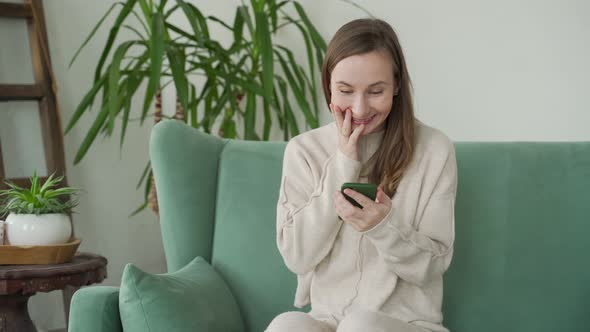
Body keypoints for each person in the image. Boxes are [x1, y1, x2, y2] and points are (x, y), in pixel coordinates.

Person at [268, 18, 458, 332]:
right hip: (327, 320)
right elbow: (297, 257)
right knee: (287, 326)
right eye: (345, 91)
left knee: (360, 327)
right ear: (328, 85)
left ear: (397, 85)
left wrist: (383, 227)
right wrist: (343, 161)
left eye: (375, 91)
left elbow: (433, 265)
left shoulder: (434, 150)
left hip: (407, 324)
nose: (359, 108)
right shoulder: (304, 150)